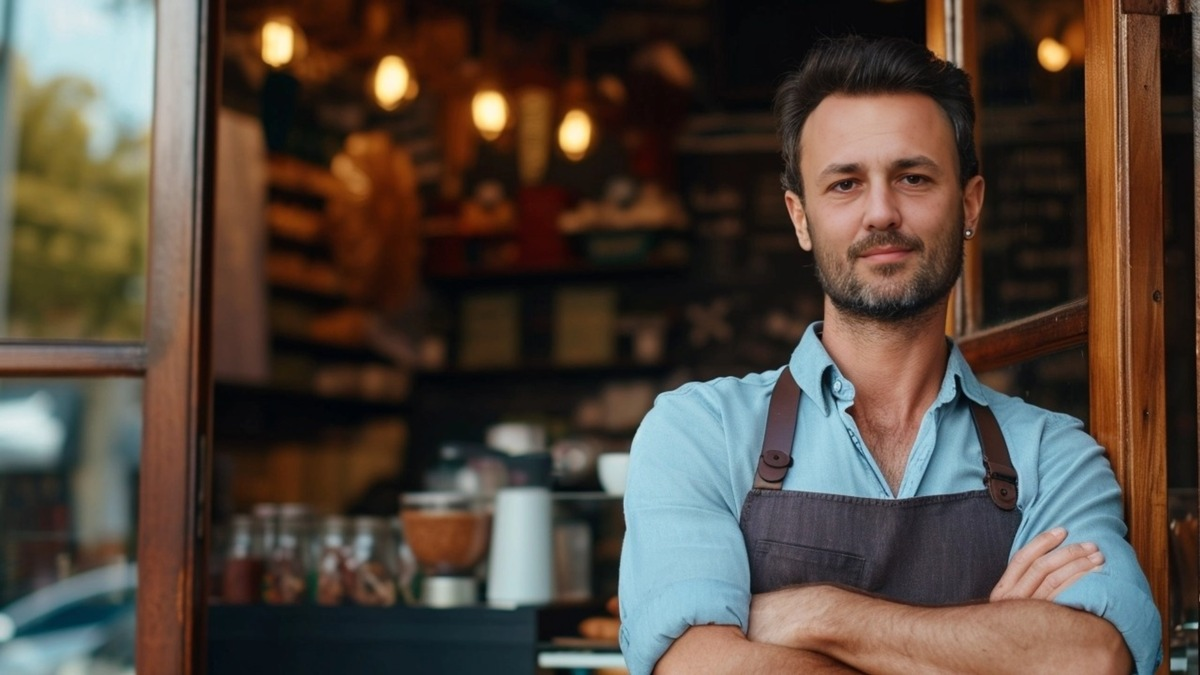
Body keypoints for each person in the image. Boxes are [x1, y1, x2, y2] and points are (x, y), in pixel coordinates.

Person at [617, 35, 1160, 675]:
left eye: (913, 177)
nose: (882, 212)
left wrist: (816, 614)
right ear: (800, 217)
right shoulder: (699, 434)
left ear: (970, 203)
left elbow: (1092, 659)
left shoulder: (1052, 457)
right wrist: (992, 644)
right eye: (845, 184)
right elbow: (698, 668)